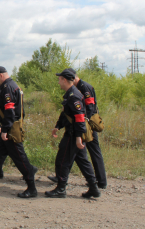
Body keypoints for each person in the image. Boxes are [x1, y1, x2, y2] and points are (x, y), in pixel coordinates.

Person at [0, 66, 38, 198]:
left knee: (20, 159)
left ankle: (32, 188)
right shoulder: (9, 86)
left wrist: (4, 129)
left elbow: (10, 112)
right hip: (8, 127)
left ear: (1, 75)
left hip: (11, 129)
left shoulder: (8, 88)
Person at [45, 69, 100, 198]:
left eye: (59, 79)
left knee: (63, 160)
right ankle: (94, 188)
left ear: (65, 80)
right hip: (74, 133)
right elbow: (66, 114)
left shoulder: (74, 95)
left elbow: (80, 117)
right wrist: (58, 126)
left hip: (73, 134)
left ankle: (61, 189)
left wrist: (78, 137)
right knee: (82, 161)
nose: (58, 82)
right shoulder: (70, 94)